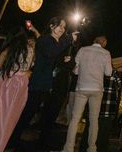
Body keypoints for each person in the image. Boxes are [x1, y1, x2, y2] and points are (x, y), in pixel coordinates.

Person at [9, 17, 78, 151]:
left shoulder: (60, 43)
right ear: (52, 26)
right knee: (28, 112)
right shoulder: (44, 40)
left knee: (49, 114)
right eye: (60, 26)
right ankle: (12, 139)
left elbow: (58, 61)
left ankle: (42, 142)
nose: (62, 29)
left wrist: (67, 60)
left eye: (64, 27)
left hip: (52, 84)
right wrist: (68, 40)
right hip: (39, 82)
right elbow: (50, 52)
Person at [62, 35, 113, 152]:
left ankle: (68, 148)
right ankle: (92, 148)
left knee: (75, 119)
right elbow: (108, 72)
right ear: (104, 42)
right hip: (97, 89)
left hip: (82, 87)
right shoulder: (106, 53)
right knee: (94, 120)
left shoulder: (83, 50)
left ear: (94, 41)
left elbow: (75, 70)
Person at [79, 69, 122, 152]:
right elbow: (119, 85)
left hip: (94, 107)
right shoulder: (114, 73)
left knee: (89, 132)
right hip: (107, 109)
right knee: (103, 135)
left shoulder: (94, 70)